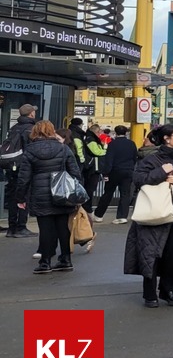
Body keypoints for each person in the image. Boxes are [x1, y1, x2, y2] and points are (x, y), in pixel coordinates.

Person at [126, 124, 173, 308]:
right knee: (151, 253)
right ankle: (149, 293)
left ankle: (167, 289)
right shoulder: (151, 159)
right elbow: (139, 179)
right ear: (166, 138)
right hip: (153, 213)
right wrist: (162, 172)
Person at [16, 121, 84, 274]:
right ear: (52, 131)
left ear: (35, 132)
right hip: (61, 193)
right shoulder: (63, 148)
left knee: (45, 229)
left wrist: (21, 198)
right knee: (63, 228)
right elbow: (75, 172)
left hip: (41, 194)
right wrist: (76, 193)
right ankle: (65, 259)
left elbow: (23, 177)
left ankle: (45, 261)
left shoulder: (30, 150)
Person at [4, 103, 38, 238]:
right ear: (31, 114)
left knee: (13, 197)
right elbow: (31, 150)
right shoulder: (31, 129)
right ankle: (21, 227)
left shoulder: (14, 128)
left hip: (12, 166)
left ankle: (11, 227)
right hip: (24, 168)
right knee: (23, 196)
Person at [95, 125, 138, 224]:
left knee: (108, 193)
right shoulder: (131, 144)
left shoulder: (112, 144)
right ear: (126, 132)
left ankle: (99, 215)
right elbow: (134, 157)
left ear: (116, 132)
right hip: (128, 171)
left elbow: (109, 160)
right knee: (125, 194)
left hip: (114, 172)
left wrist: (106, 173)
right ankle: (122, 216)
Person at [80, 124, 108, 221]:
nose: (100, 134)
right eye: (99, 132)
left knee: (89, 189)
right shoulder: (91, 139)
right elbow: (96, 151)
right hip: (92, 168)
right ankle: (87, 209)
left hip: (91, 167)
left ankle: (86, 208)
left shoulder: (89, 138)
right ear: (96, 132)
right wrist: (105, 150)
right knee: (90, 189)